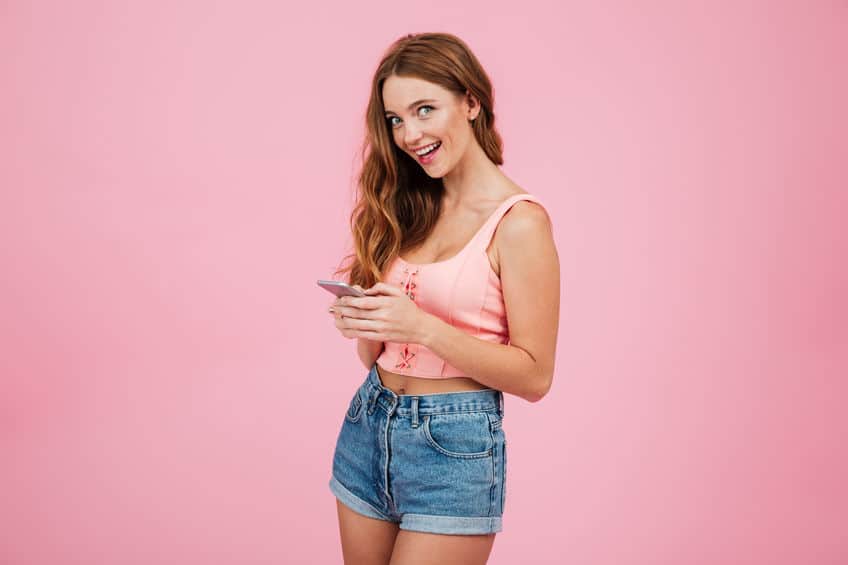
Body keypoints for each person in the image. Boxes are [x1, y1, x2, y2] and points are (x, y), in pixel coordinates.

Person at [326, 32, 560, 565]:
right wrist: (367, 320)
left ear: (472, 103)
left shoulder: (520, 223)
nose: (409, 134)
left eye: (424, 109)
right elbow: (378, 352)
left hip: (452, 445)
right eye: (395, 119)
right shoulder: (407, 207)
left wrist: (420, 326)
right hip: (369, 422)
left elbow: (535, 376)